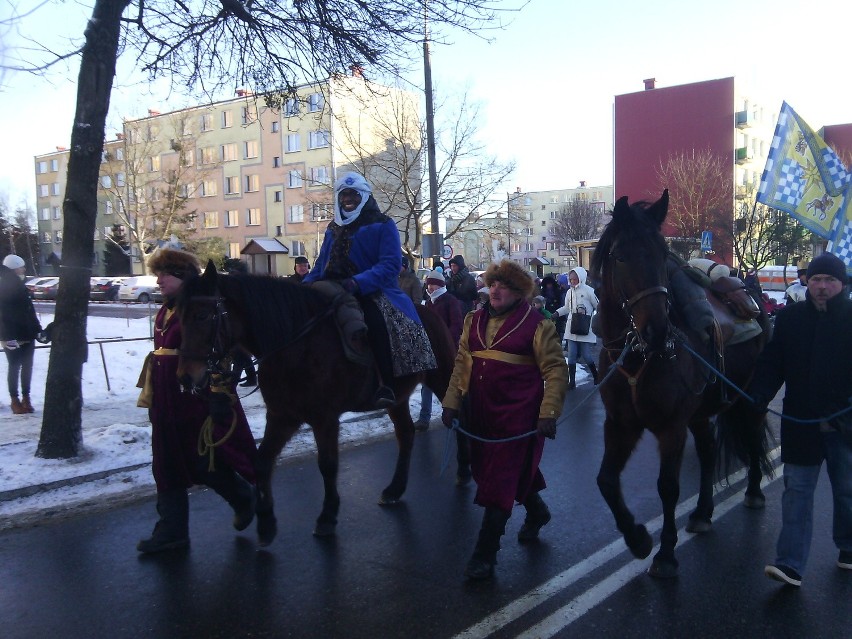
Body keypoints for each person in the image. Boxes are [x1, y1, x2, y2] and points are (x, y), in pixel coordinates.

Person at [441, 259, 568, 580]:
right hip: (480, 413)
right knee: (495, 472)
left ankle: (485, 554)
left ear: (518, 293)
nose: (496, 290)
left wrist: (548, 412)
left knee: (499, 479)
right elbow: (462, 362)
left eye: (505, 286)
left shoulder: (538, 324)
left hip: (519, 416)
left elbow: (555, 370)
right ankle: (537, 512)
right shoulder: (473, 319)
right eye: (493, 284)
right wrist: (452, 402)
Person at [136, 248, 259, 553]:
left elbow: (220, 353)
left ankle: (243, 497)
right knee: (165, 463)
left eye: (165, 274)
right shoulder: (166, 309)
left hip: (196, 395)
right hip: (166, 397)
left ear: (182, 276)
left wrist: (218, 392)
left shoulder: (200, 309)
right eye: (158, 274)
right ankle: (172, 531)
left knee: (205, 460)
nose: (159, 280)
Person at [747, 252, 852, 587]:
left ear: (842, 284)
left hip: (845, 425)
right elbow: (772, 363)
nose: (821, 286)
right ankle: (790, 563)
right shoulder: (791, 319)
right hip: (800, 423)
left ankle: (849, 546)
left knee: (847, 490)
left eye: (829, 281)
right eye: (817, 279)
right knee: (796, 493)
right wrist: (760, 394)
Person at [304, 172, 436, 408]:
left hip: (372, 291)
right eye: (344, 195)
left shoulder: (383, 224)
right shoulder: (333, 228)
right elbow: (321, 264)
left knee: (375, 323)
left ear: (363, 196)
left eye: (353, 195)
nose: (348, 199)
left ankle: (384, 383)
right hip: (332, 289)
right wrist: (303, 289)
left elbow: (390, 265)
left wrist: (358, 282)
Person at [415, 269, 463, 431]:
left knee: (450, 384)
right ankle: (424, 418)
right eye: (428, 285)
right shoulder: (429, 303)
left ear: (440, 285)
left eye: (432, 285)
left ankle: (456, 414)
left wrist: (444, 343)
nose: (430, 288)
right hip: (430, 351)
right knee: (427, 384)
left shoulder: (450, 301)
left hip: (447, 351)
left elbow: (457, 325)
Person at [0, 255, 49, 414]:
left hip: (19, 334)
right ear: (14, 268)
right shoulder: (7, 286)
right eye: (21, 267)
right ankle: (18, 400)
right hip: (13, 336)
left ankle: (22, 399)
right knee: (18, 366)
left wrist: (37, 329)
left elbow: (29, 312)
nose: (23, 270)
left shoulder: (19, 286)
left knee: (20, 366)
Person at [552, 267, 599, 389]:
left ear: (581, 278)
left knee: (586, 355)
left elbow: (598, 306)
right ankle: (571, 381)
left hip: (584, 326)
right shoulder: (569, 292)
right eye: (571, 279)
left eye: (575, 279)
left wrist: (593, 317)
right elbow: (567, 307)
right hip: (571, 327)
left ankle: (596, 377)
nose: (572, 281)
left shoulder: (589, 291)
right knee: (571, 355)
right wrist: (557, 313)